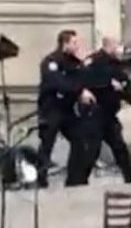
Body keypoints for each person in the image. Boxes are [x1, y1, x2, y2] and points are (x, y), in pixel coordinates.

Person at [36, 30, 97, 188]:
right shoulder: (51, 62)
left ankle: (74, 179)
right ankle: (40, 180)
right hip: (51, 109)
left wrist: (84, 65)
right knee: (47, 144)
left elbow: (83, 79)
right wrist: (79, 91)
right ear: (65, 44)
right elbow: (59, 83)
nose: (77, 46)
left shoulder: (74, 62)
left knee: (79, 140)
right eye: (74, 43)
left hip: (67, 110)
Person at [80, 37, 131, 184]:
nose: (120, 50)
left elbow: (124, 85)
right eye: (118, 46)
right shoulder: (94, 62)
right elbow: (85, 80)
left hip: (109, 115)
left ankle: (130, 177)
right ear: (110, 46)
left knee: (119, 147)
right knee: (92, 150)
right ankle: (80, 180)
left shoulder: (116, 66)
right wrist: (108, 83)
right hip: (95, 114)